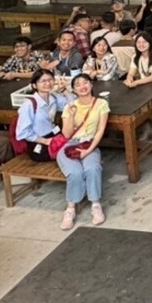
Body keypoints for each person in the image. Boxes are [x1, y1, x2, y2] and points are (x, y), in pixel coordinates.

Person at [57, 73, 110, 230]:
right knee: (75, 172)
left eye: (85, 82)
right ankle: (70, 209)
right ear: (73, 90)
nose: (82, 86)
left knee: (92, 168)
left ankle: (95, 204)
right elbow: (66, 135)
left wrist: (89, 151)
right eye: (78, 84)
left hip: (89, 143)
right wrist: (72, 116)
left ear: (91, 85)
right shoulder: (70, 106)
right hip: (69, 145)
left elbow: (100, 130)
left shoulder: (101, 104)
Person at [15, 70, 70, 162]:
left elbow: (72, 105)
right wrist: (45, 141)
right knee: (66, 153)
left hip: (54, 136)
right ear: (34, 85)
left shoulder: (54, 97)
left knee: (72, 148)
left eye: (50, 80)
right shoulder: (29, 104)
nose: (48, 83)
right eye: (43, 81)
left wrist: (64, 90)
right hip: (38, 141)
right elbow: (22, 132)